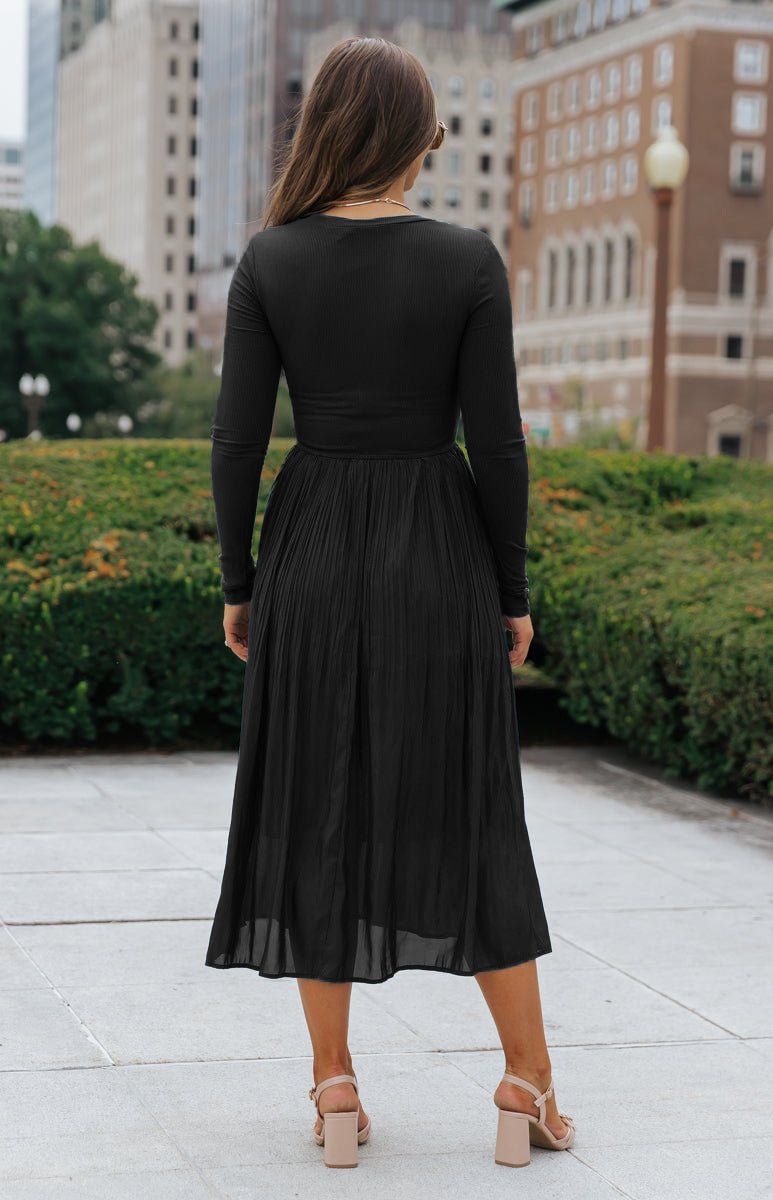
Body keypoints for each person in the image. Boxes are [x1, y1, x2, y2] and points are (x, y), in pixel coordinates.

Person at [204, 34, 575, 1169]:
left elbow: (235, 440)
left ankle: (333, 1088)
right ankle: (525, 1082)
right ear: (415, 136)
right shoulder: (466, 261)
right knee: (471, 806)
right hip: (437, 551)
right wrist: (510, 588)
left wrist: (239, 582)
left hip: (310, 548)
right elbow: (499, 444)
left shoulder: (270, 260)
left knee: (315, 805)